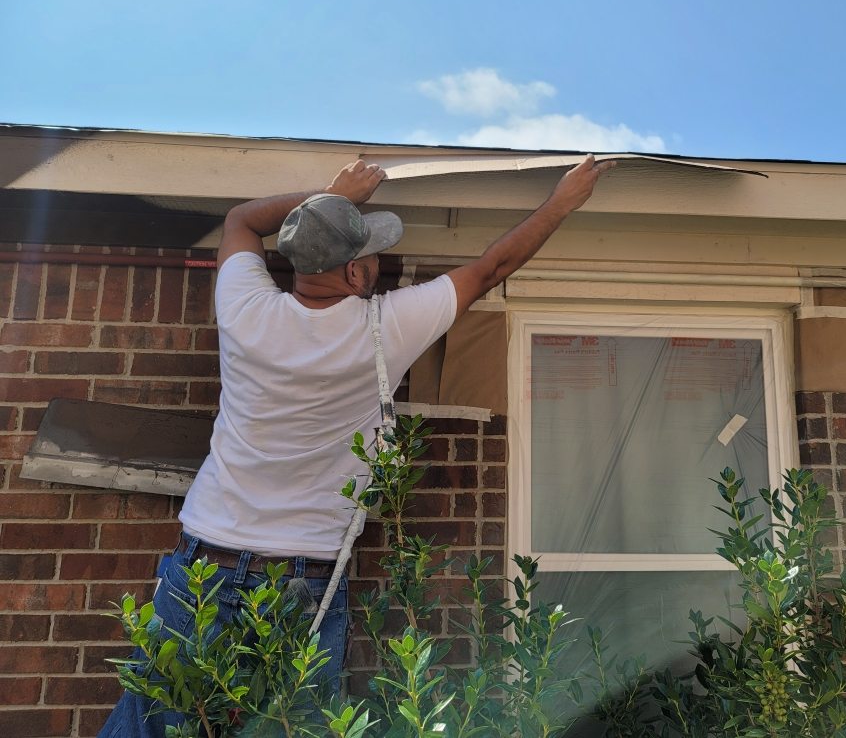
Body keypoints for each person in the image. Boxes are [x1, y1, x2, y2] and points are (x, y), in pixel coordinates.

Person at [99, 154, 613, 737]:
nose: (378, 261)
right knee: (287, 727)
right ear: (351, 275)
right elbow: (494, 265)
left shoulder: (243, 308)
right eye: (369, 253)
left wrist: (329, 198)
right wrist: (563, 201)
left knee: (150, 723)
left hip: (203, 565)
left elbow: (241, 219)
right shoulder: (385, 330)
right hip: (303, 578)